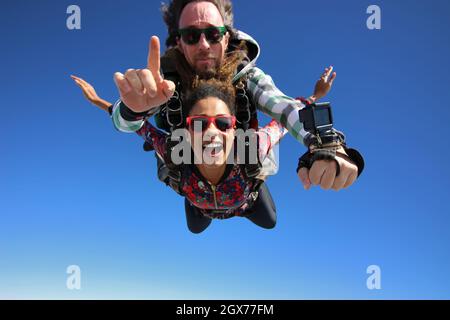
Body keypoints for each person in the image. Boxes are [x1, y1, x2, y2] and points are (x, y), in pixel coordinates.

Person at [110, 0, 363, 194]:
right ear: (179, 43)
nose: (204, 45)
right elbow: (127, 124)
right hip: (192, 179)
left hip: (242, 180)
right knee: (197, 220)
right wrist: (132, 111)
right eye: (191, 36)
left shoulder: (248, 78)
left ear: (227, 36)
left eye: (213, 34)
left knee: (267, 217)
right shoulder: (165, 86)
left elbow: (283, 108)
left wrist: (324, 143)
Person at [71, 49, 288, 233]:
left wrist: (316, 115)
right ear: (187, 130)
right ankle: (195, 194)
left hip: (245, 203)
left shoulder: (251, 149)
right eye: (199, 124)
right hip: (201, 207)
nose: (211, 132)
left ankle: (250, 188)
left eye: (222, 123)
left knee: (270, 222)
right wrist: (97, 100)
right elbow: (139, 126)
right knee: (195, 229)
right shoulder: (175, 151)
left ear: (234, 128)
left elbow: (286, 120)